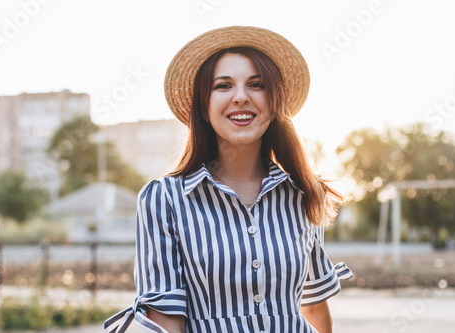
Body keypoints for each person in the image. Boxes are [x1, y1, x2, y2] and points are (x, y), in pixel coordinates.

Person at [104, 26, 352, 333]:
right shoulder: (163, 199)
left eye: (256, 85)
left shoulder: (302, 193)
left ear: (274, 102)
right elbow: (166, 321)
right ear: (204, 107)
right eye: (223, 86)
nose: (240, 97)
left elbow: (313, 304)